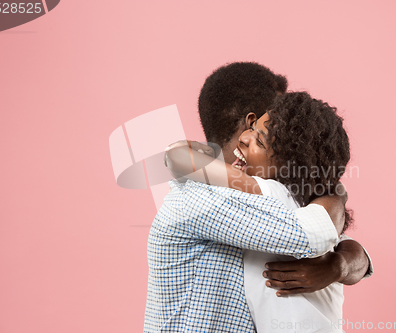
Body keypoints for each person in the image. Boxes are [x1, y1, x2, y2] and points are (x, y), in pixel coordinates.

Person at [143, 62, 372, 333]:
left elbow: (345, 246)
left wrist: (339, 264)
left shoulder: (282, 197)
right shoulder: (204, 197)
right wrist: (336, 192)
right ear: (252, 122)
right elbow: (313, 232)